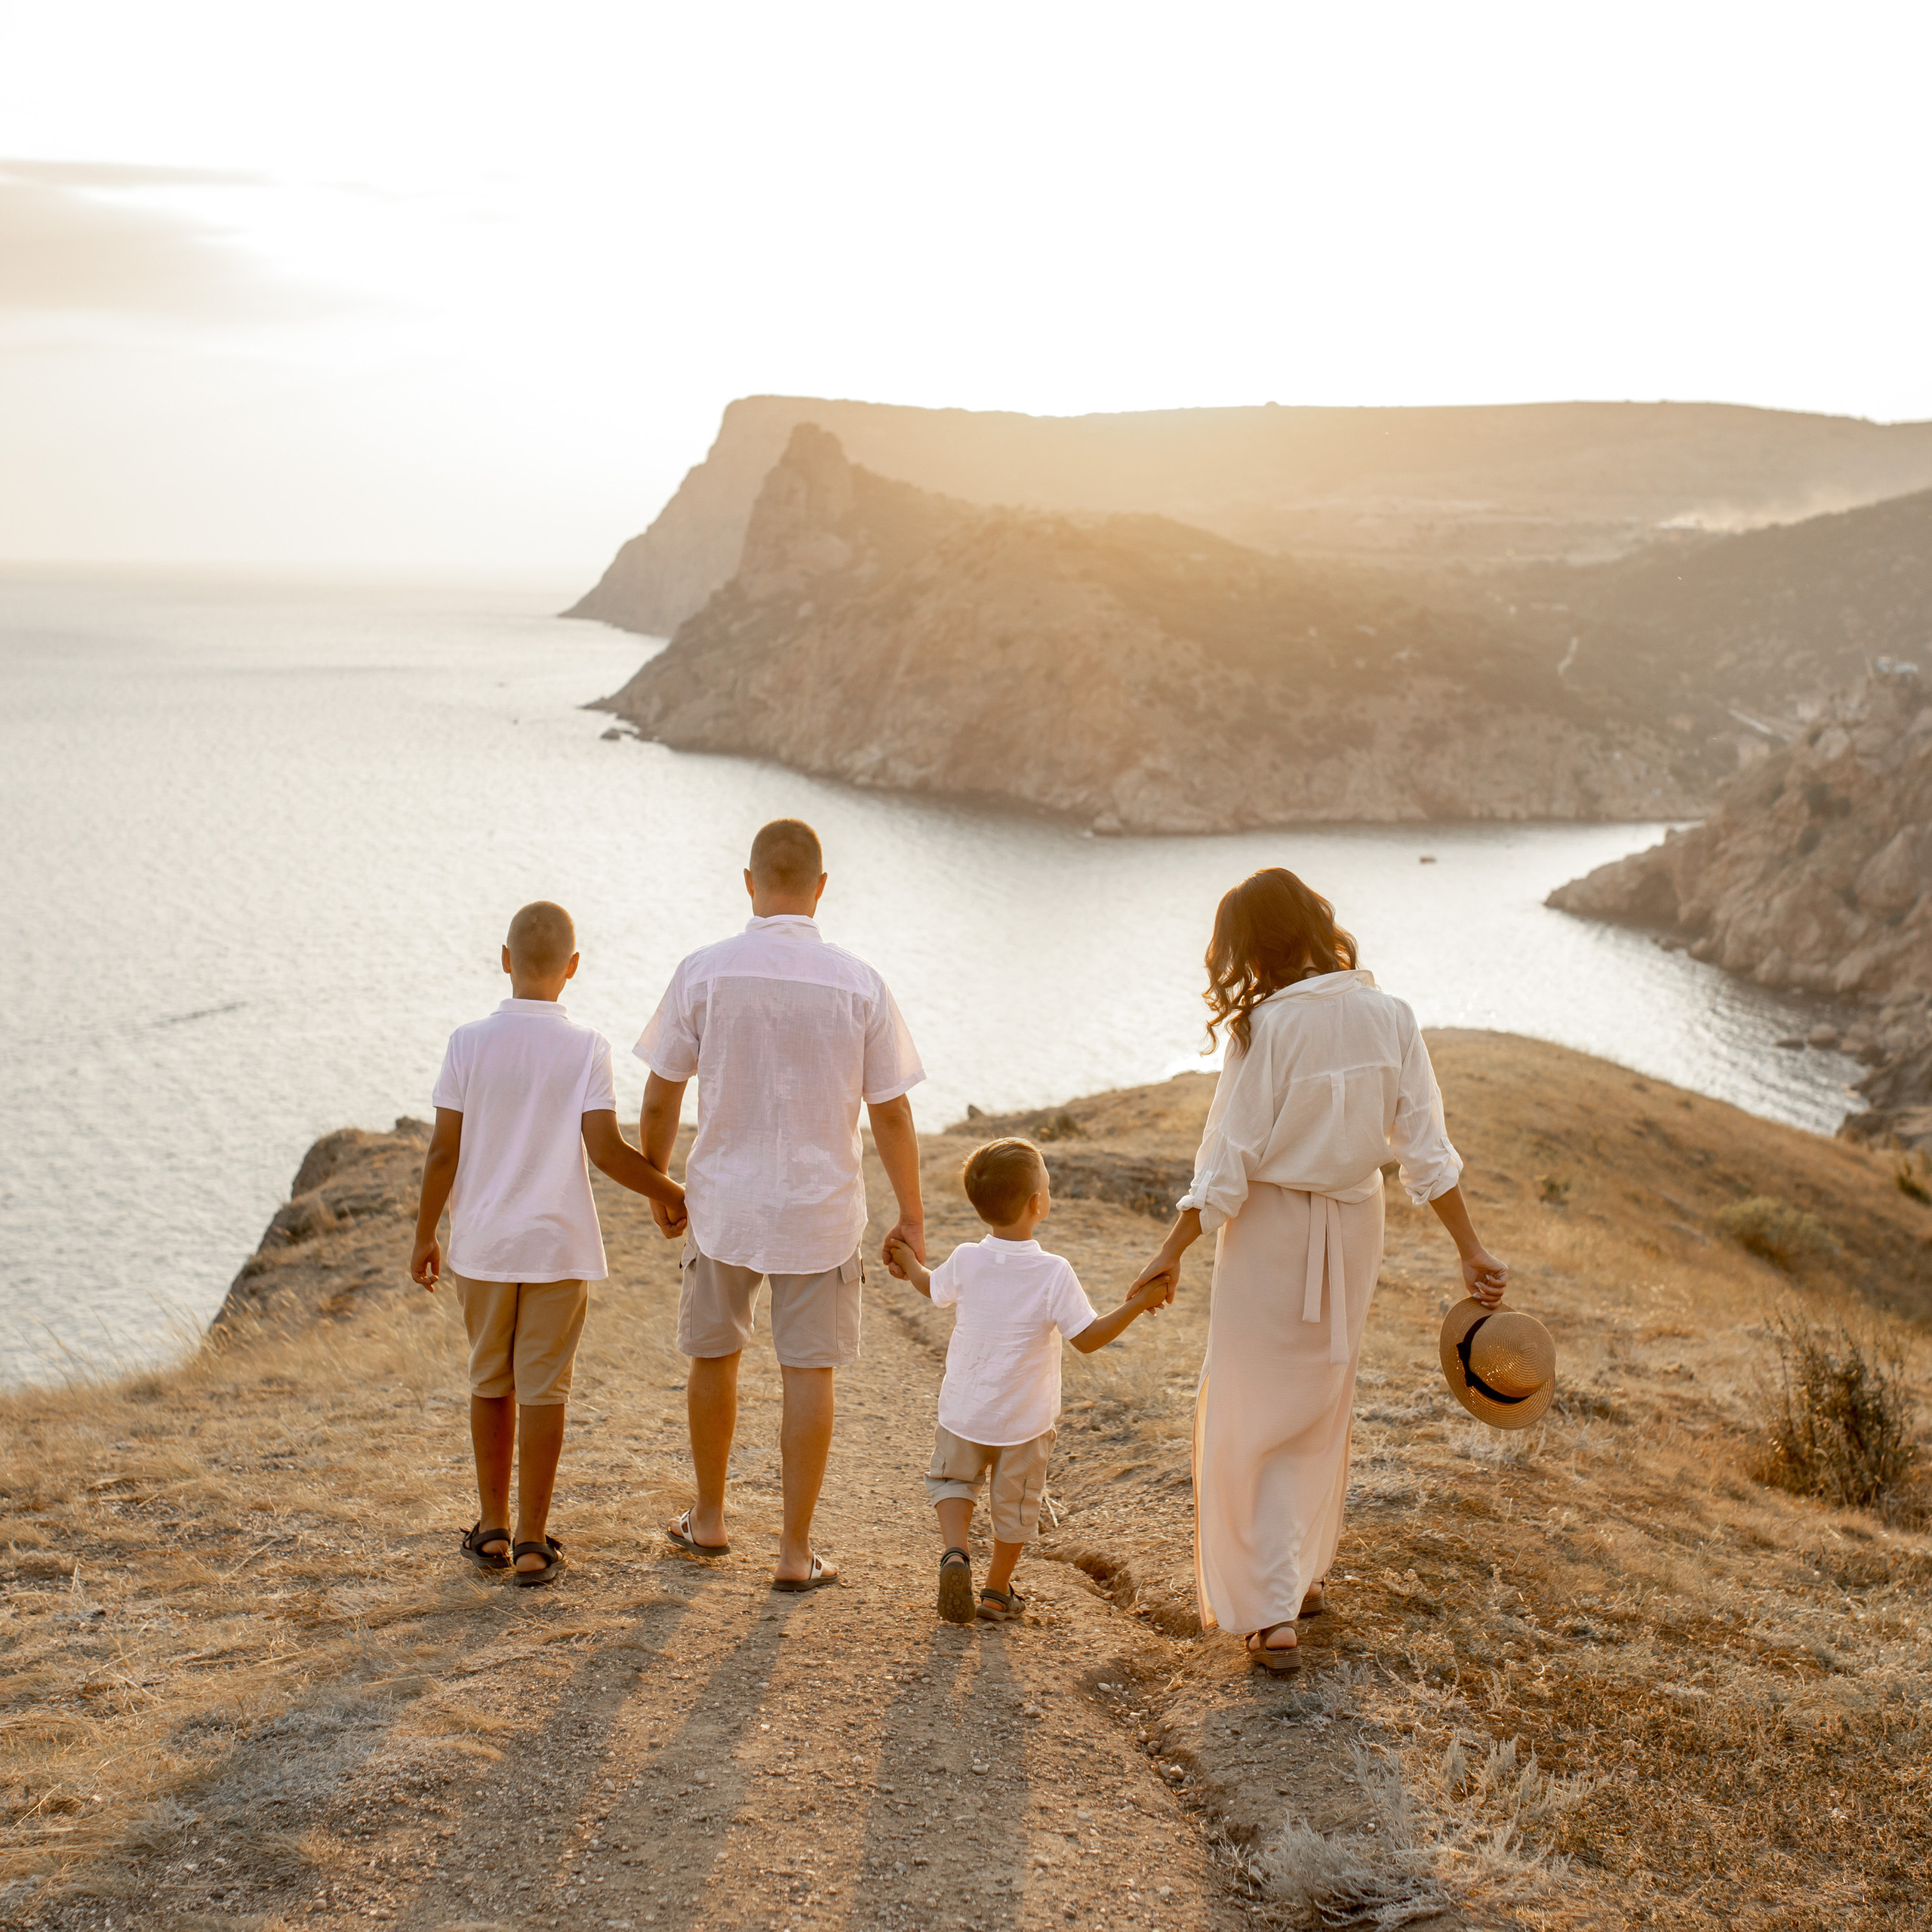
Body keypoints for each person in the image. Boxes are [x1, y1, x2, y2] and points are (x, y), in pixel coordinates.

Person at [1128, 867, 1507, 1672]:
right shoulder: (1391, 1015)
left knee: (1252, 1411)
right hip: (1353, 1221)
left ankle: (1270, 1613)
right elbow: (1426, 1153)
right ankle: (1295, 1580)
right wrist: (1469, 1247)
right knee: (1317, 1402)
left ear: (1251, 947)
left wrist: (1170, 1252)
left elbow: (1227, 1166)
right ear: (1313, 922)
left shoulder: (1264, 1028)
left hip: (1271, 1232)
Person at [634, 819, 926, 1590]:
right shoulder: (859, 981)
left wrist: (660, 1179)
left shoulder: (703, 971)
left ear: (750, 882)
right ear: (821, 887)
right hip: (820, 1211)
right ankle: (795, 1554)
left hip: (724, 1202)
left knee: (713, 1355)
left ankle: (708, 1519)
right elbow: (891, 1111)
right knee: (809, 1372)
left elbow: (662, 1091)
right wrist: (912, 1213)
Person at [411, 901, 687, 1586]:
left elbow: (444, 1151)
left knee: (489, 1382)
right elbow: (604, 1150)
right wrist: (669, 1190)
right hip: (557, 1248)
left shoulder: (467, 1042)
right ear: (573, 968)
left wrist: (425, 1234)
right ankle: (534, 1540)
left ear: (505, 959)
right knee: (544, 1392)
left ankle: (493, 1530)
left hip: (482, 1247)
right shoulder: (586, 1045)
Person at [886, 1138, 1171, 1624]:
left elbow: (930, 1285)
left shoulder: (968, 1258)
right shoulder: (1052, 1272)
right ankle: (997, 1592)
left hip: (964, 1410)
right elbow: (1087, 1338)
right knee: (1016, 1507)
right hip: (1025, 1420)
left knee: (952, 1480)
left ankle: (956, 1554)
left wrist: (908, 1261)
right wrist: (1138, 1304)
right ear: (1038, 1204)